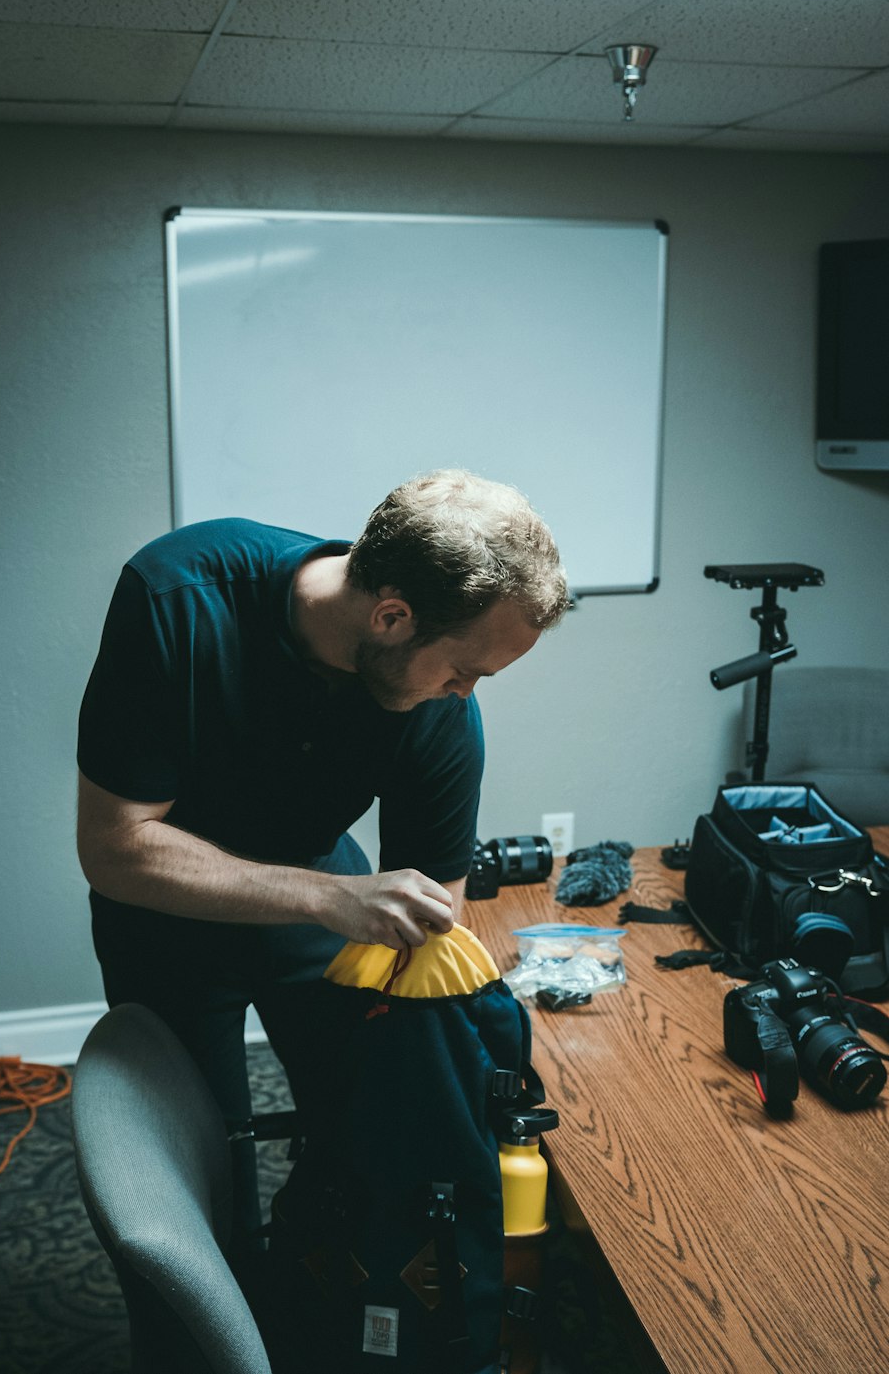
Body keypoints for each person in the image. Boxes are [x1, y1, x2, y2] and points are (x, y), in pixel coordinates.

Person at [76, 468, 568, 1253]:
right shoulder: (177, 597)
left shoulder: (443, 711)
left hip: (319, 885)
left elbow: (430, 920)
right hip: (164, 906)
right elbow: (114, 845)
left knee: (372, 1128)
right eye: (464, 668)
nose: (468, 692)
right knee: (201, 1190)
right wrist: (324, 898)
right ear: (392, 615)